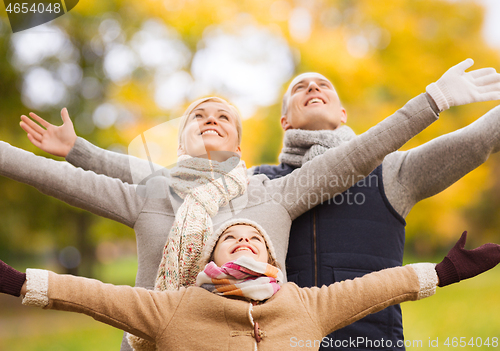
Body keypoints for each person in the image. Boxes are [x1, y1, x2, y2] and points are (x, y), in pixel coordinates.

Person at [17, 59, 500, 350]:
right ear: (284, 122)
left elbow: (374, 152)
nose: (313, 88)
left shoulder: (366, 174)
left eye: (324, 85)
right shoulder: (235, 188)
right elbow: (147, 182)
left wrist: (434, 99)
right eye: (299, 87)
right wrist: (80, 152)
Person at [1, 218, 500, 350]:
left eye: (252, 239)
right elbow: (91, 294)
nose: (242, 241)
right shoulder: (172, 308)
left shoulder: (305, 304)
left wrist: (446, 271)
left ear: (270, 257)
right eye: (230, 239)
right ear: (211, 257)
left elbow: (377, 287)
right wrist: (17, 282)